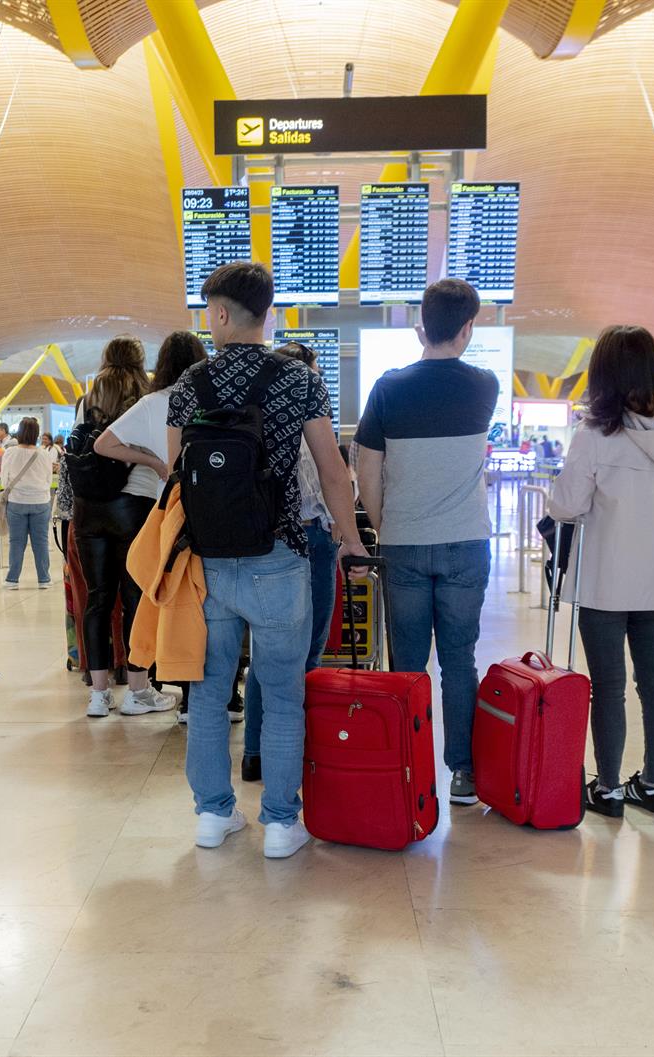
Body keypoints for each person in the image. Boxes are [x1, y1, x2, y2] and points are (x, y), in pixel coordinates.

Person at [165, 261, 367, 859]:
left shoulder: (190, 383)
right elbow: (332, 471)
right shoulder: (298, 379)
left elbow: (177, 478)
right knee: (281, 694)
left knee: (208, 693)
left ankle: (212, 815)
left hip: (207, 563)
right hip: (280, 555)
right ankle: (280, 823)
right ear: (268, 314)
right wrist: (352, 540)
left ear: (221, 314)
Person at [546, 323, 654, 818]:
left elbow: (565, 506)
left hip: (606, 581)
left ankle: (609, 789)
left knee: (608, 686)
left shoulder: (595, 435)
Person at [355, 278, 499, 806]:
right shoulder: (485, 385)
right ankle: (463, 773)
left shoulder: (388, 388)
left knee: (408, 665)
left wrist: (384, 526)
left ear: (421, 326)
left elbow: (367, 469)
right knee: (459, 661)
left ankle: (409, 768)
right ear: (467, 328)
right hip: (466, 543)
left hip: (404, 543)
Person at [231, 339, 344, 783]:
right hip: (310, 538)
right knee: (308, 651)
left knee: (267, 653)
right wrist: (347, 534)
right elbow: (328, 481)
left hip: (262, 542)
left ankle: (255, 753)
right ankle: (297, 749)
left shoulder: (258, 422)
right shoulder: (308, 423)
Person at [71, 335, 174, 718]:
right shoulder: (144, 397)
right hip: (134, 505)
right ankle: (137, 690)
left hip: (88, 509)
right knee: (134, 598)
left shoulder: (87, 399)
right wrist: (153, 462)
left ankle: (99, 695)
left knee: (97, 599)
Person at [0, 417, 54, 589]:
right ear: (36, 434)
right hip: (41, 501)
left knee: (16, 542)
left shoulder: (10, 452)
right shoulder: (44, 454)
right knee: (41, 542)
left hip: (16, 502)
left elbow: (4, 480)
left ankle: (12, 580)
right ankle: (44, 579)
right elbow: (48, 479)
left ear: (19, 432)